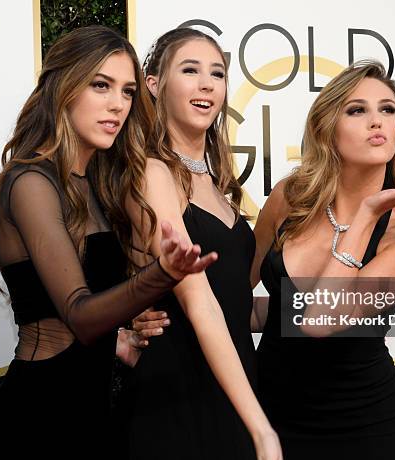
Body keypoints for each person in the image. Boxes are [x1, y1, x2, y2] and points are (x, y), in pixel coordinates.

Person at [0, 26, 216, 458]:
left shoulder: (97, 184)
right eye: (100, 85)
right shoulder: (31, 181)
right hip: (36, 420)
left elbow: (93, 319)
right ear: (64, 88)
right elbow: (80, 315)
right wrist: (162, 274)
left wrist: (123, 334)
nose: (117, 105)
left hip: (94, 417)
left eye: (126, 91)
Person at [249, 60, 395, 459]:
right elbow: (247, 296)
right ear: (327, 128)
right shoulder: (289, 199)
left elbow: (320, 320)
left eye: (387, 110)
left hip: (360, 432)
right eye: (357, 109)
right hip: (266, 417)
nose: (377, 121)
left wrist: (364, 217)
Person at [117, 27, 281, 460]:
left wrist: (317, 308)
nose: (207, 83)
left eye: (218, 73)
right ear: (154, 84)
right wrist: (263, 431)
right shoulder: (152, 173)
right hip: (178, 398)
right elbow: (199, 302)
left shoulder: (216, 185)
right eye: (190, 70)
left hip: (233, 387)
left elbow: (233, 302)